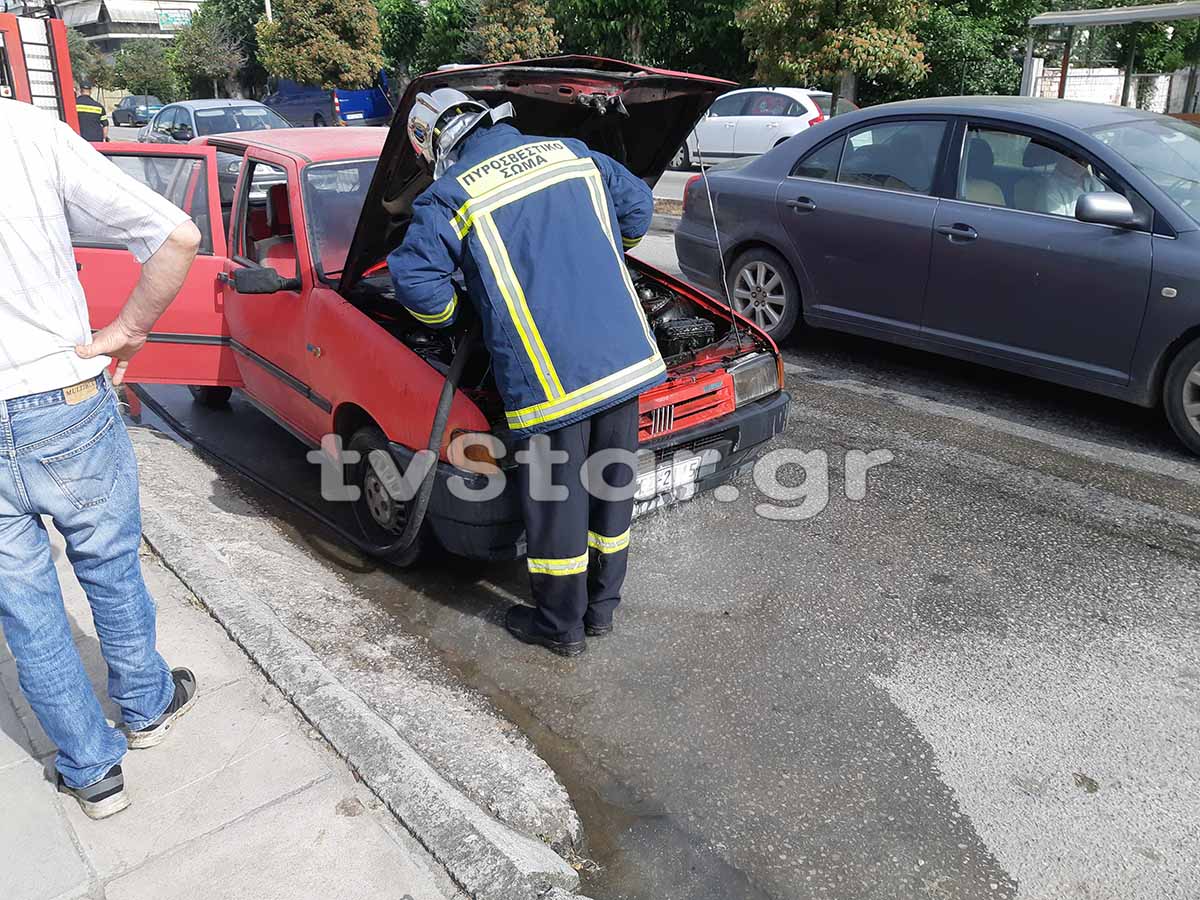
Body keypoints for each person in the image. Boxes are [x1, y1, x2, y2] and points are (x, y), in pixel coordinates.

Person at [388, 89, 661, 658]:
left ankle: (561, 627)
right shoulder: (574, 153)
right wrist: (601, 249)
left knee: (558, 501)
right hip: (623, 358)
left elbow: (418, 285)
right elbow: (637, 211)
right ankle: (602, 610)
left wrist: (465, 315)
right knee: (611, 489)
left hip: (550, 378)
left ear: (436, 144)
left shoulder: (450, 195)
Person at [0, 99, 201, 819]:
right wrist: (128, 330)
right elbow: (177, 235)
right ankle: (146, 707)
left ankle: (91, 772)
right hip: (61, 393)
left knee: (23, 604)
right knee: (108, 563)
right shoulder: (25, 133)